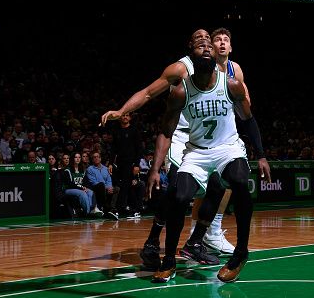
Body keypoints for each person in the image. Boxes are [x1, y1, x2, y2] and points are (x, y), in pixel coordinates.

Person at [100, 28, 248, 269]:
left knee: (218, 187)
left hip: (207, 142)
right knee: (176, 192)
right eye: (197, 37)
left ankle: (195, 242)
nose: (204, 38)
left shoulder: (217, 70)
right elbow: (148, 93)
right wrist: (122, 111)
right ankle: (151, 242)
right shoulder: (180, 68)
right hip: (180, 138)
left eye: (206, 37)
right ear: (190, 45)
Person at [146, 38, 270, 283]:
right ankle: (169, 259)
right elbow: (166, 131)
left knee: (239, 180)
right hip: (197, 151)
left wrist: (262, 155)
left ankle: (240, 253)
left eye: (208, 45)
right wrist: (154, 167)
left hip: (227, 147)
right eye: (199, 45)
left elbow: (248, 120)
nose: (205, 46)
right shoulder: (181, 91)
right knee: (179, 196)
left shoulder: (231, 85)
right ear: (191, 57)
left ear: (215, 56)